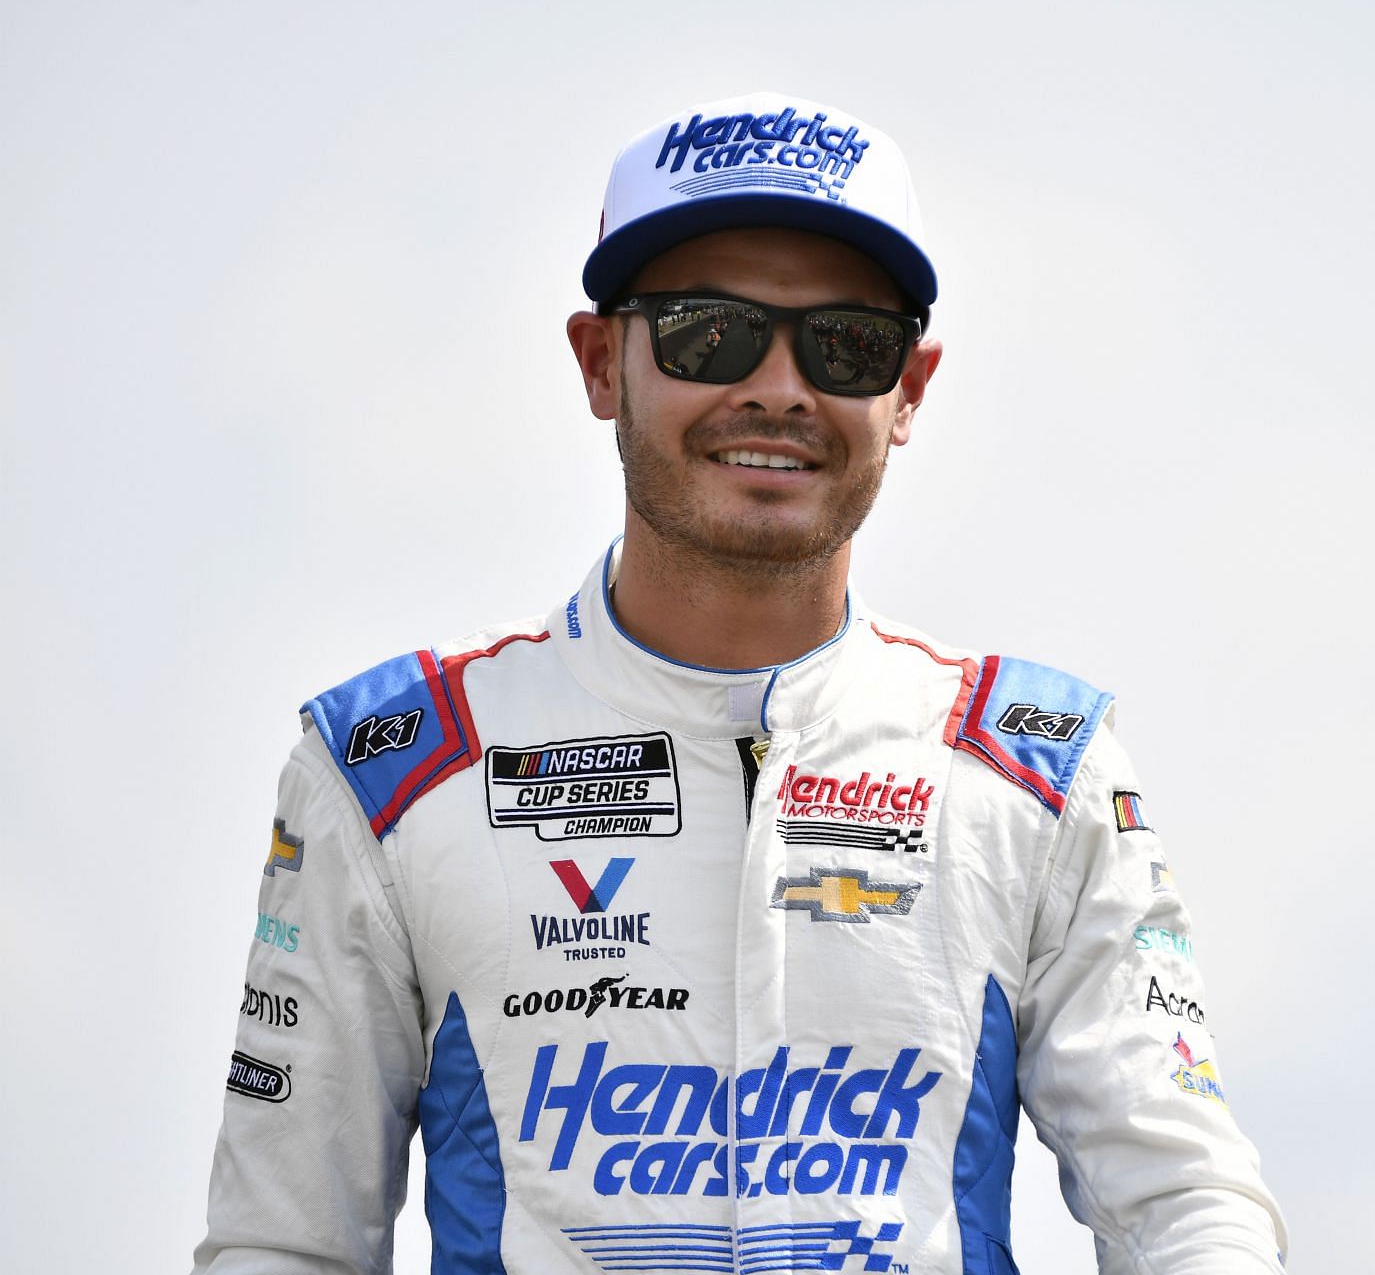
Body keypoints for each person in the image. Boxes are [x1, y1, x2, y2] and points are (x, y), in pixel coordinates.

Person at [193, 92, 1288, 1275]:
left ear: (909, 388)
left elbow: (1185, 1202)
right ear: (601, 359)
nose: (778, 387)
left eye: (845, 343)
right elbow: (282, 1242)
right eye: (709, 333)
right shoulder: (394, 765)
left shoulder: (1034, 767)